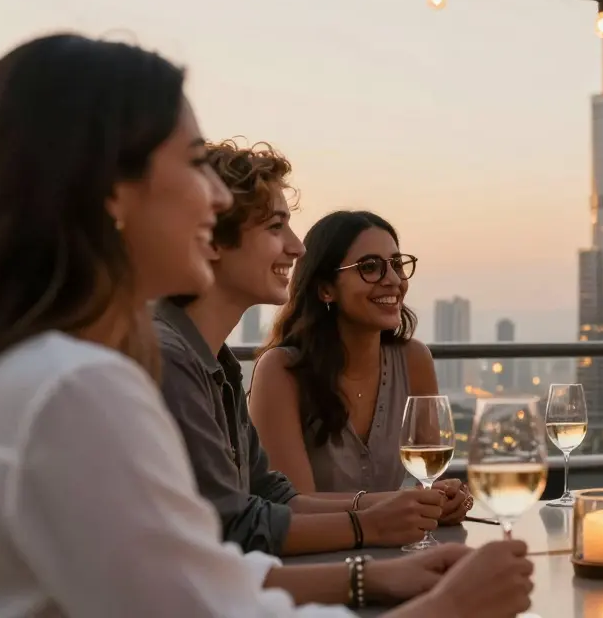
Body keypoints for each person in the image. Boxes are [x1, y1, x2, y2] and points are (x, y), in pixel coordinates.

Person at [0, 34, 534, 617]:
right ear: (112, 189)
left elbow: (202, 576)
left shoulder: (36, 372)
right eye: (194, 164)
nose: (217, 199)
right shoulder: (80, 390)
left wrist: (380, 577)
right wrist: (450, 607)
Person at [155, 140, 470, 563]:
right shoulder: (170, 359)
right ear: (210, 238)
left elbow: (271, 494)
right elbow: (232, 527)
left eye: (397, 264)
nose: (297, 247)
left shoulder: (219, 366)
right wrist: (370, 537)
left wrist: (403, 508)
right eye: (274, 227)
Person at [251, 211, 440, 495]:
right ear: (326, 289)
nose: (393, 280)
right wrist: (395, 510)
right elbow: (292, 510)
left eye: (397, 264)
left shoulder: (414, 361)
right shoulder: (280, 371)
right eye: (370, 266)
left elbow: (428, 481)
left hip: (392, 540)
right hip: (312, 541)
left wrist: (440, 500)